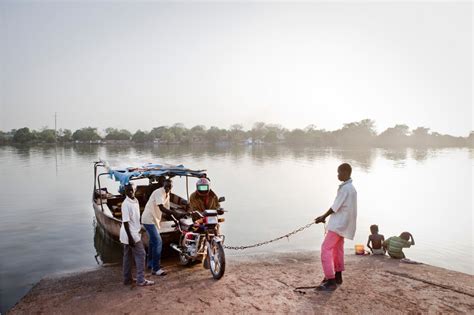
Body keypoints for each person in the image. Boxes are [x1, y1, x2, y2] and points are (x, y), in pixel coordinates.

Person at [314, 163, 357, 291]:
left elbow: (335, 207)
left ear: (346, 173)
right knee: (337, 250)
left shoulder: (345, 189)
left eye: (339, 172)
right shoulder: (351, 188)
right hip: (344, 225)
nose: (338, 175)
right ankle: (338, 276)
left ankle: (330, 280)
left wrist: (323, 216)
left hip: (338, 225)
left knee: (325, 249)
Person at [120, 183, 154, 286]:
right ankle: (140, 280)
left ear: (135, 189)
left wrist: (140, 227)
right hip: (130, 234)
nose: (130, 192)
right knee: (142, 254)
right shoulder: (125, 204)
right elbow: (125, 222)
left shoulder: (135, 201)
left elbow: (135, 219)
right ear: (125, 191)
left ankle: (127, 279)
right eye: (127, 190)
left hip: (133, 232)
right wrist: (130, 238)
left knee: (128, 256)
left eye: (131, 189)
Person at [141, 179, 176, 276]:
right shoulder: (158, 192)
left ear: (172, 187)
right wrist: (175, 213)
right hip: (148, 219)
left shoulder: (167, 194)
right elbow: (161, 208)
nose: (168, 188)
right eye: (166, 186)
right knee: (158, 241)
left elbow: (167, 210)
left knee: (152, 242)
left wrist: (176, 218)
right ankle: (155, 269)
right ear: (163, 185)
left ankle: (150, 263)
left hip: (155, 220)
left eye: (170, 186)